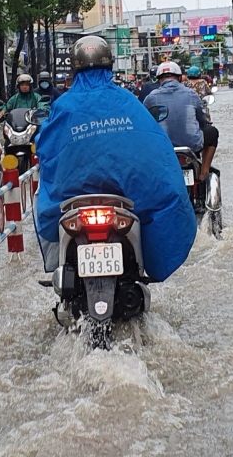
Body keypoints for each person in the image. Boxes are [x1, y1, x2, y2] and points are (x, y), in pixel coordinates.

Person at [34, 37, 196, 281]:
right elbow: (155, 146)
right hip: (125, 196)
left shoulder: (63, 105)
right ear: (109, 65)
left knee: (40, 198)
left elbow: (45, 147)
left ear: (75, 68)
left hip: (75, 200)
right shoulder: (128, 101)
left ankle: (57, 268)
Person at [143, 61, 218, 199]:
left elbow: (145, 124)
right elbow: (202, 119)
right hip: (192, 145)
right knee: (213, 132)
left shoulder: (150, 98)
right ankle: (204, 172)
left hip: (163, 148)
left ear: (159, 79)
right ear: (179, 77)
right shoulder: (191, 94)